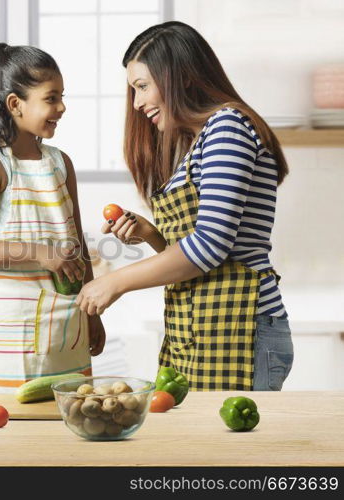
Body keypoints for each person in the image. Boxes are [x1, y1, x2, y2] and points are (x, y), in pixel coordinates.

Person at [76, 21, 293, 391]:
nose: (137, 102)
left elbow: (210, 247)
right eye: (133, 90)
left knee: (228, 448)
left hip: (239, 325)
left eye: (142, 86)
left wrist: (116, 282)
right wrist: (152, 235)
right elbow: (203, 257)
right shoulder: (201, 140)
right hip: (204, 326)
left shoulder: (228, 126)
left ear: (183, 76)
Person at [0, 43, 106, 392]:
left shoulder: (60, 162)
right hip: (15, 328)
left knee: (72, 414)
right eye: (51, 98)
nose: (62, 107)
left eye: (62, 97)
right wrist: (41, 253)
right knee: (18, 423)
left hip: (70, 320)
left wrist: (93, 313)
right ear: (15, 104)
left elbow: (78, 242)